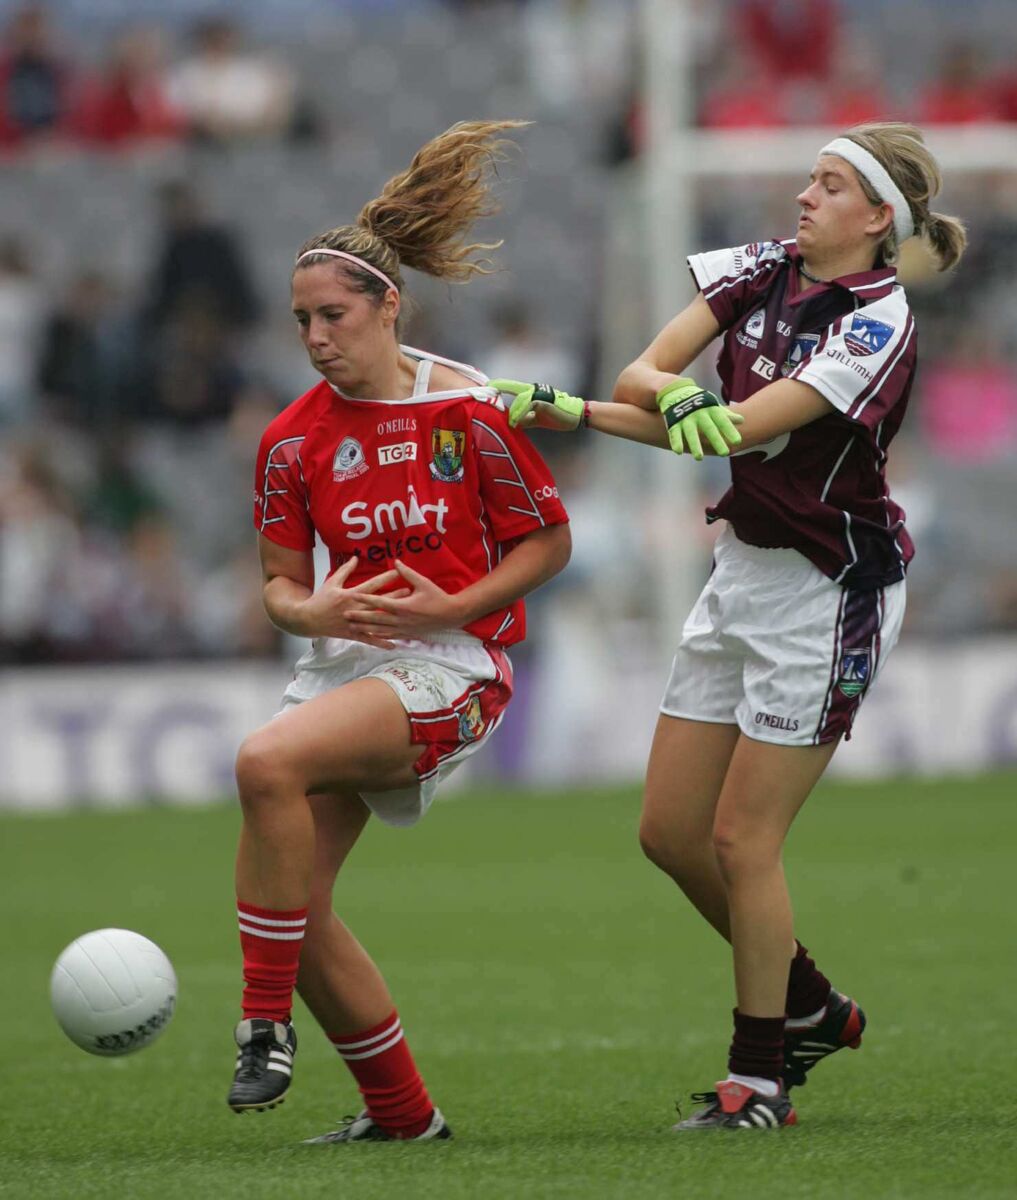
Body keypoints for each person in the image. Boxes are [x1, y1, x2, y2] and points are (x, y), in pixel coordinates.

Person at [493, 122, 966, 1131]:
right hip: (743, 569)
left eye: (831, 186)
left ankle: (760, 1081)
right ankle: (808, 1004)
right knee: (669, 832)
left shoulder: (878, 325)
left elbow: (742, 427)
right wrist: (583, 407)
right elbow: (649, 380)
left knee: (743, 840)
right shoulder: (760, 267)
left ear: (877, 218)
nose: (804, 196)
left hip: (830, 591)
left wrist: (680, 409)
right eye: (810, 178)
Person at [228, 120, 571, 1142]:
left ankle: (260, 1025)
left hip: (453, 665)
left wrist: (454, 606)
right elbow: (280, 591)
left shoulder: (468, 410)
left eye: (333, 315)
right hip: (347, 661)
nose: (316, 337)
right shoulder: (291, 443)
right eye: (300, 321)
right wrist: (313, 611)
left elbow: (548, 544)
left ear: (390, 306)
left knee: (263, 764)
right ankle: (403, 1117)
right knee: (301, 905)